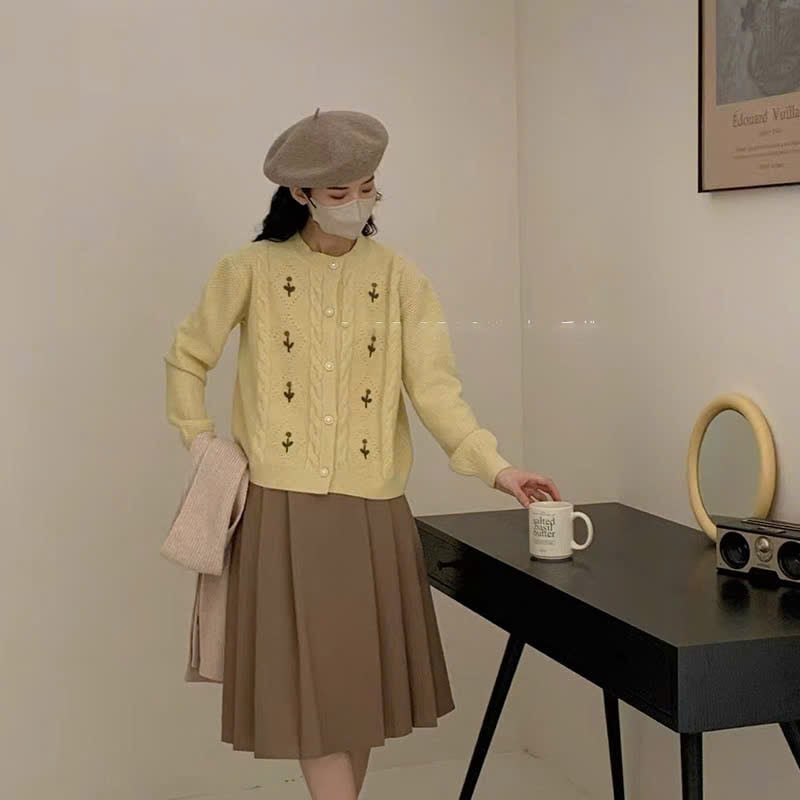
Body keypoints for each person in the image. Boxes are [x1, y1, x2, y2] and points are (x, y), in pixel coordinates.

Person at [164, 108, 561, 800]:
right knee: (310, 696)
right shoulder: (249, 270)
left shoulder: (401, 278)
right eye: (339, 193)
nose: (357, 205)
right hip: (282, 512)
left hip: (373, 512)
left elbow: (435, 390)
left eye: (368, 189)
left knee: (355, 697)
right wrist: (201, 443)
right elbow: (187, 355)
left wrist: (497, 468)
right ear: (301, 194)